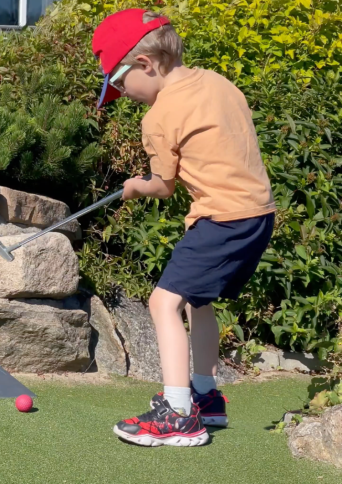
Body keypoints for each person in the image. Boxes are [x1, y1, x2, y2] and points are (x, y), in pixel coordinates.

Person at [92, 9, 276, 447]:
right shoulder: (217, 82)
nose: (123, 94)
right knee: (196, 300)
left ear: (145, 65)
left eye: (119, 84)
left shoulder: (157, 117)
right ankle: (206, 398)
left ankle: (177, 414)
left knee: (162, 303)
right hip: (257, 213)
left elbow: (164, 185)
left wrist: (136, 187)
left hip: (223, 218)